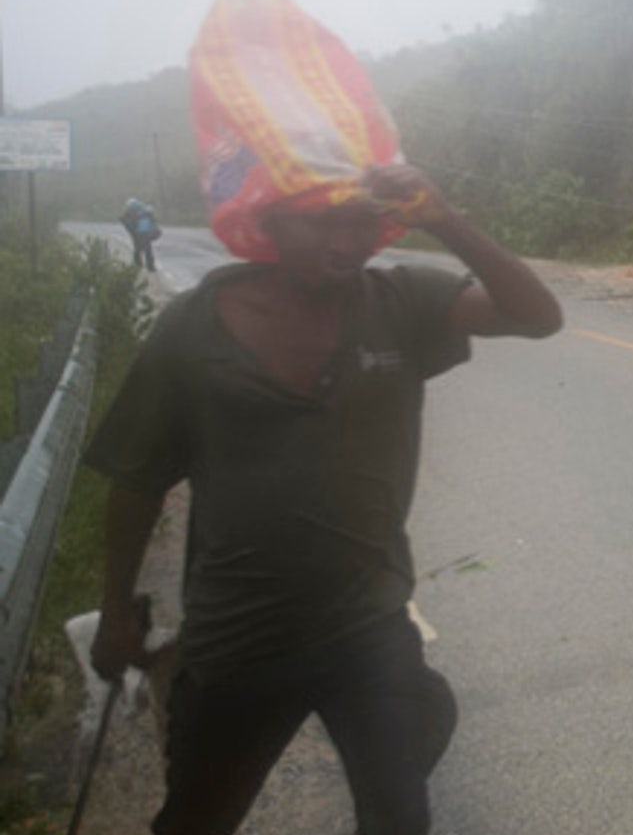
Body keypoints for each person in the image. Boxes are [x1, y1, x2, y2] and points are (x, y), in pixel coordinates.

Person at [85, 164, 562, 835]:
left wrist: (444, 218)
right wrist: (114, 615)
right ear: (270, 221)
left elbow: (537, 317)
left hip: (369, 628)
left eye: (362, 221)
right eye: (321, 220)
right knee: (196, 819)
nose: (347, 241)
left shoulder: (401, 301)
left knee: (398, 816)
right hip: (237, 637)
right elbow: (137, 479)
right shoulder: (193, 327)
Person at [121, 197, 161, 272]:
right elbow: (153, 220)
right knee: (147, 250)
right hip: (145, 233)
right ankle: (150, 267)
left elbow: (125, 221)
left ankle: (137, 266)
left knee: (137, 249)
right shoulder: (145, 210)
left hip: (137, 233)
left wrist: (132, 230)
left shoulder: (130, 211)